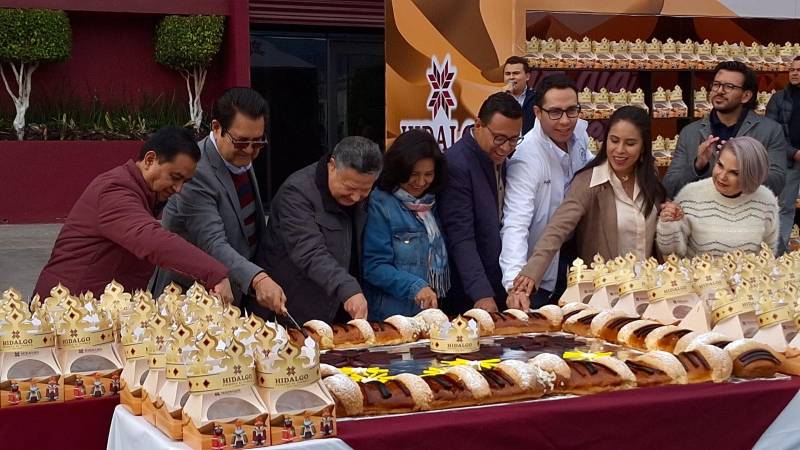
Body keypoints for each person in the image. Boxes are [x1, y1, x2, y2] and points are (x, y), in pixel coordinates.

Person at [34, 126, 233, 304]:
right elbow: (153, 241)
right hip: (68, 310)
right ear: (150, 160)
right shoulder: (114, 190)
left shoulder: (142, 193)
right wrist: (214, 273)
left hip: (98, 309)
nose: (179, 189)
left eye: (185, 181)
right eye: (175, 177)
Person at [151, 88, 286, 315]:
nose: (251, 151)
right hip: (188, 301)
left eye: (258, 143)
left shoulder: (240, 158)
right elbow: (213, 243)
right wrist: (257, 278)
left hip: (234, 292)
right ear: (216, 128)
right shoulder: (196, 171)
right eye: (242, 142)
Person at [511, 106, 665, 300]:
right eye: (614, 140)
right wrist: (530, 273)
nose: (619, 150)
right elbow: (556, 230)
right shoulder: (589, 182)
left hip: (649, 294)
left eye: (630, 143)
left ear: (643, 146)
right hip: (605, 299)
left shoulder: (651, 181)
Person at [262, 136, 383, 325]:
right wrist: (348, 288)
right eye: (350, 188)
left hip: (344, 308)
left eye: (365, 190)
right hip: (297, 310)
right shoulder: (296, 193)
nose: (356, 197)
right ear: (332, 165)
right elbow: (309, 251)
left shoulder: (363, 197)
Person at [500, 74, 592, 308]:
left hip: (578, 262)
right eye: (555, 112)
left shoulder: (579, 135)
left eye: (572, 110)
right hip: (539, 276)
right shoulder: (527, 157)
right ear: (537, 112)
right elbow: (515, 223)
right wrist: (514, 284)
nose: (565, 121)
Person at [439, 92, 523, 314]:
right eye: (499, 138)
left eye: (514, 140)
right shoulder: (457, 164)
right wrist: (481, 294)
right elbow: (460, 237)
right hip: (469, 294)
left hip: (499, 282)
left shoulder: (500, 158)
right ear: (478, 125)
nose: (506, 148)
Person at [664, 61, 788, 199]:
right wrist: (698, 166)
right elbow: (670, 187)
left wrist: (741, 169)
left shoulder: (770, 130)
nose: (720, 91)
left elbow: (777, 183)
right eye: (716, 84)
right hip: (701, 216)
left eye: (729, 86)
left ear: (746, 96)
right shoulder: (690, 132)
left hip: (746, 215)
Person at [362, 129, 449, 321]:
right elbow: (374, 266)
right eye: (413, 174)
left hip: (428, 316)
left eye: (428, 174)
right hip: (390, 317)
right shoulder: (380, 202)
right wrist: (415, 286)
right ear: (399, 169)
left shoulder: (433, 203)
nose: (420, 182)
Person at [657, 136, 779, 257]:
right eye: (720, 165)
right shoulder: (690, 194)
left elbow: (768, 254)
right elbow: (672, 252)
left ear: (752, 175)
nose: (722, 176)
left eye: (734, 173)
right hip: (700, 276)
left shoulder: (766, 200)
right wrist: (668, 224)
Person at [766, 55, 800, 253]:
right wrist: (793, 152)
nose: (795, 73)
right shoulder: (778, 99)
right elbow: (773, 133)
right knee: (784, 207)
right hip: (790, 161)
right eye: (792, 69)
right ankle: (778, 252)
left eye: (799, 69)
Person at [502, 56, 536, 135]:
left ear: (527, 76)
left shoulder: (537, 98)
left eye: (516, 73)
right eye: (507, 74)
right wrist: (504, 97)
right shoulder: (496, 99)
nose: (511, 77)